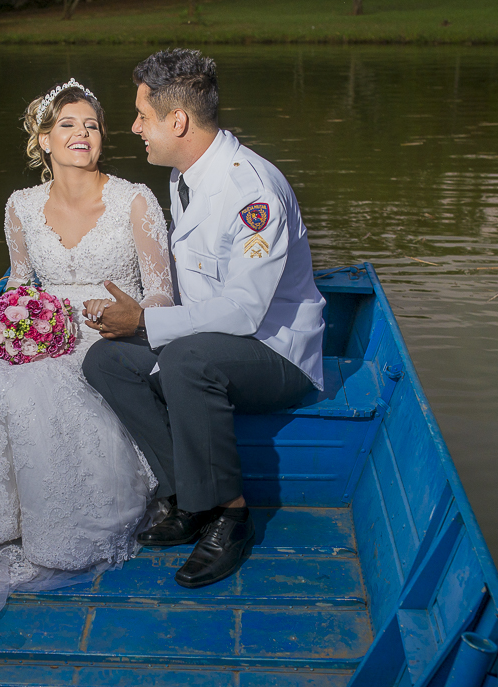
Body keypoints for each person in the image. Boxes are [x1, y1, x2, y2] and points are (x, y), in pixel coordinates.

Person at [82, 49, 327, 590]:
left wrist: (145, 325)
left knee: (188, 360)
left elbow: (244, 311)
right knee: (106, 361)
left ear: (178, 121)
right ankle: (186, 499)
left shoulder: (251, 192)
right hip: (214, 340)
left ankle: (231, 517)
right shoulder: (185, 173)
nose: (134, 128)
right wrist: (143, 326)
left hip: (276, 350)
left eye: (142, 117)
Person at [0, 79, 175, 616]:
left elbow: (162, 290)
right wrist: (14, 325)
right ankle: (3, 523)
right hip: (42, 331)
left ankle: (65, 532)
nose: (82, 133)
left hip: (115, 330)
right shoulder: (20, 206)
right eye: (68, 124)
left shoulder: (135, 199)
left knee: (43, 391)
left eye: (91, 125)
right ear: (44, 139)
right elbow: (20, 285)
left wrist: (134, 318)